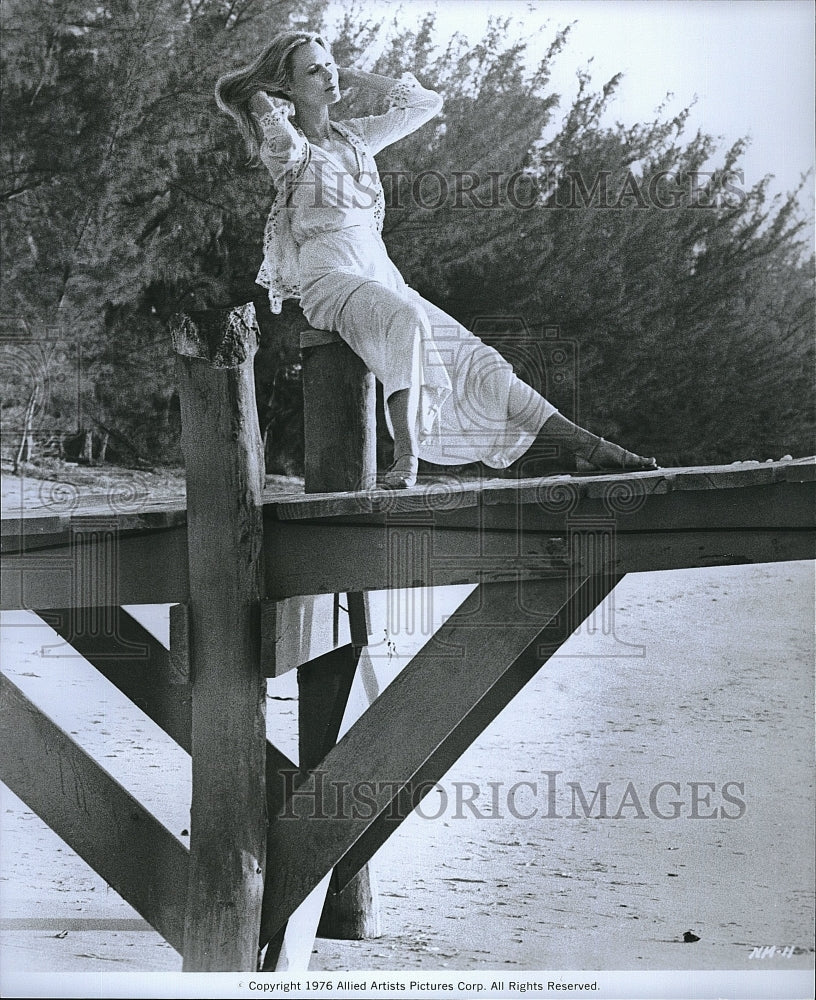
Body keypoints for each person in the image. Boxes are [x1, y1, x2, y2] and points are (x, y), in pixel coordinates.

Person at [215, 30, 657, 488]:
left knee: (477, 358)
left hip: (380, 274)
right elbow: (260, 115)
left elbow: (425, 104)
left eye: (330, 64)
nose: (328, 74)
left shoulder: (357, 138)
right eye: (313, 71)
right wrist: (266, 97)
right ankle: (406, 460)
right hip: (330, 279)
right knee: (406, 318)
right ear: (286, 88)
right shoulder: (287, 150)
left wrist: (352, 75)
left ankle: (589, 447)